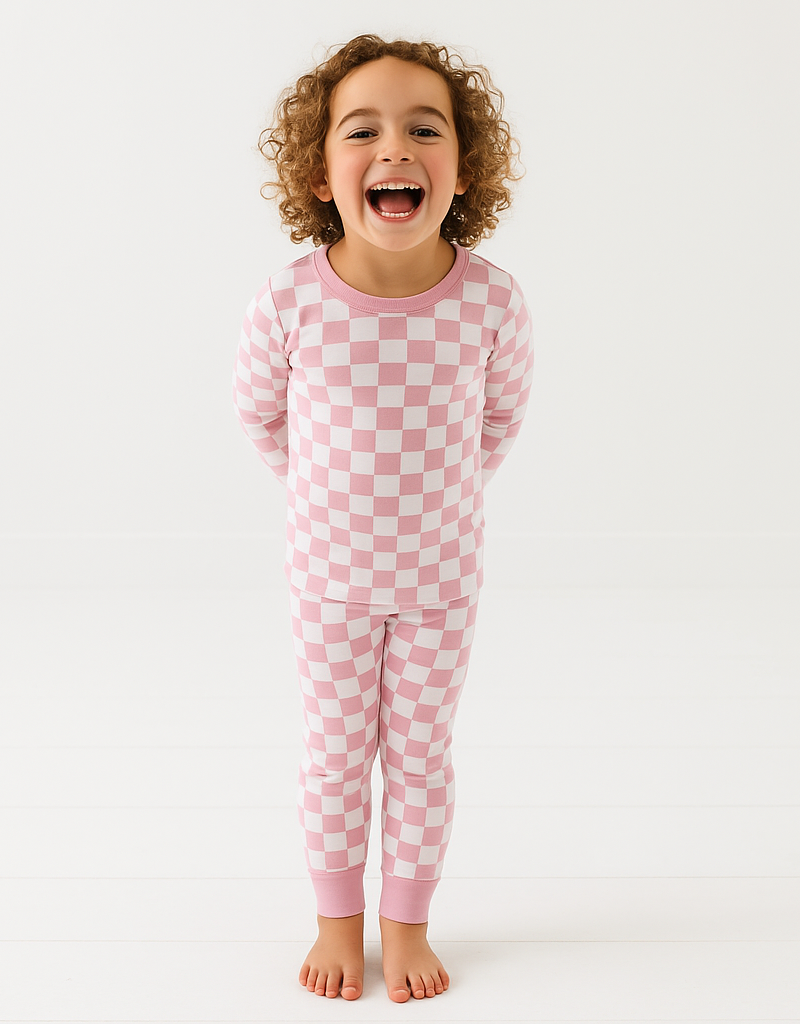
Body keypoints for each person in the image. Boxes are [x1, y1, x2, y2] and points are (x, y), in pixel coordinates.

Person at [234, 33, 534, 1003]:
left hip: (441, 583)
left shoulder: (491, 301)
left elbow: (498, 422)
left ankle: (407, 925)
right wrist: (327, 495)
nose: (394, 148)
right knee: (333, 753)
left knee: (418, 756)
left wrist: (434, 502)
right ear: (320, 175)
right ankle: (336, 922)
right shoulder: (289, 301)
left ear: (463, 169)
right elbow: (260, 417)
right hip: (327, 582)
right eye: (362, 131)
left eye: (424, 130)